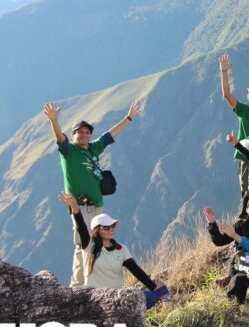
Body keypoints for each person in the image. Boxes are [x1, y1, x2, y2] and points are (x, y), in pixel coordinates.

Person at [43, 100, 142, 287]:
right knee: (82, 243)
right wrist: (53, 120)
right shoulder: (69, 152)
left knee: (97, 243)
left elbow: (110, 135)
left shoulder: (94, 148)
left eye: (87, 132)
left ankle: (93, 281)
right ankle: (78, 284)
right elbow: (58, 137)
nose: (84, 135)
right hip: (79, 206)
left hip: (97, 205)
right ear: (73, 136)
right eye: (80, 132)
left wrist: (128, 118)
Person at [61, 194, 168, 307]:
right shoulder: (89, 246)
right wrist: (75, 208)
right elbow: (81, 227)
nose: (111, 229)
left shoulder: (121, 249)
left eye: (113, 226)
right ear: (97, 230)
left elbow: (136, 271)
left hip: (117, 297)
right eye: (106, 227)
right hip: (95, 299)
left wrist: (156, 289)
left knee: (159, 293)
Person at [219, 53, 249, 215]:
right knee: (246, 191)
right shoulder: (243, 111)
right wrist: (224, 72)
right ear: (248, 96)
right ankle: (245, 219)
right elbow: (226, 95)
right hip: (245, 157)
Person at [204, 201, 249, 304]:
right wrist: (212, 223)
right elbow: (220, 241)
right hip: (243, 265)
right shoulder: (239, 226)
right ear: (247, 210)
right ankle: (235, 306)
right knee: (237, 285)